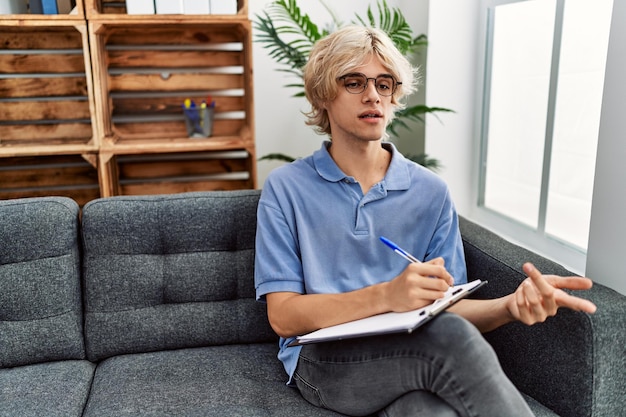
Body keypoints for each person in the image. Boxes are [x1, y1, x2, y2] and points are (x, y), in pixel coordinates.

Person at [254, 25, 597, 417]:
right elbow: (283, 316)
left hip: (408, 353)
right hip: (324, 362)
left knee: (430, 412)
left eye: (385, 84)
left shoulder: (430, 191)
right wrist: (386, 296)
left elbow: (446, 310)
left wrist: (509, 305)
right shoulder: (286, 188)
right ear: (322, 95)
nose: (373, 96)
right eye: (354, 82)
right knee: (449, 338)